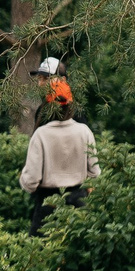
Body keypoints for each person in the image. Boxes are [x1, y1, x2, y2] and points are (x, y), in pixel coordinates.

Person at [20, 96, 98, 234]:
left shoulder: (41, 134)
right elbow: (95, 172)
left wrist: (25, 182)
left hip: (48, 201)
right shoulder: (84, 131)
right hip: (78, 199)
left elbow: (31, 179)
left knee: (43, 250)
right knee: (78, 248)